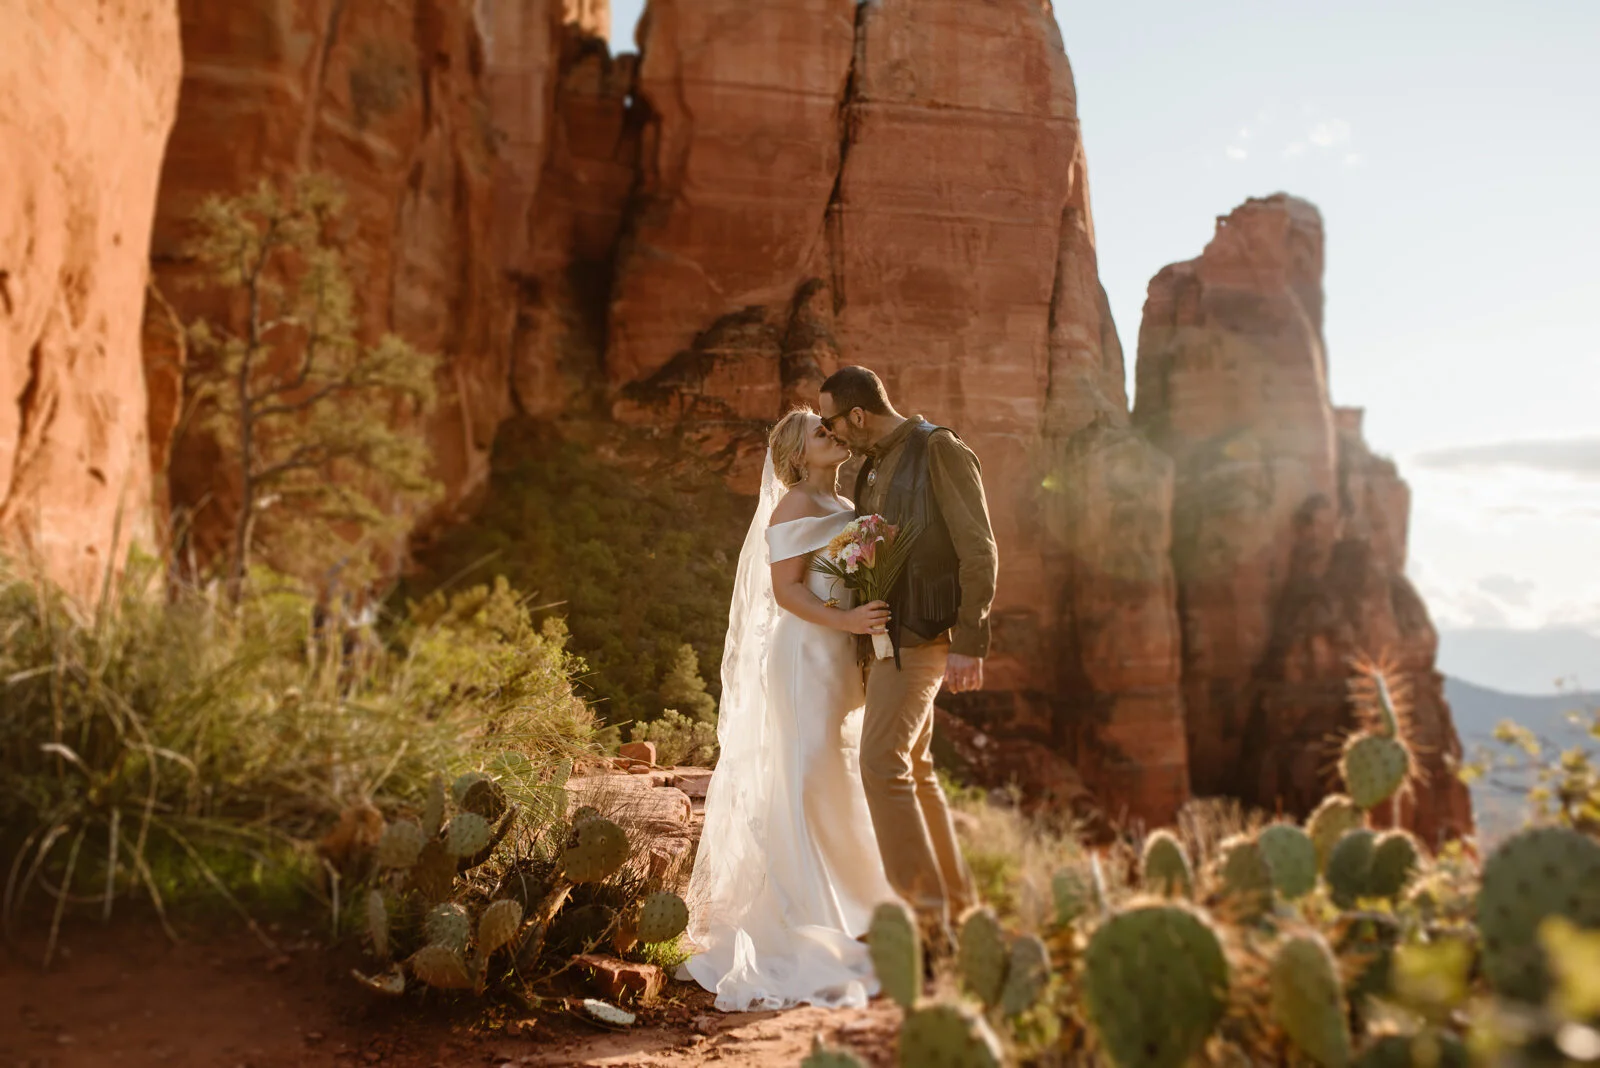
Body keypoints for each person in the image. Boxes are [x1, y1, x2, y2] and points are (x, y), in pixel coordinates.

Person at [680, 408, 901, 1011]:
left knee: (838, 772)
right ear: (799, 456)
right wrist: (849, 621)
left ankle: (861, 908)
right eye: (820, 434)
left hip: (841, 655)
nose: (833, 435)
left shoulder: (846, 505)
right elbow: (786, 591)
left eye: (832, 429)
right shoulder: (793, 506)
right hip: (804, 654)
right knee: (808, 772)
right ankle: (809, 919)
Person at [816, 365, 997, 951]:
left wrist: (969, 642)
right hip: (884, 641)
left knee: (880, 763)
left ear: (857, 415)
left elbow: (979, 548)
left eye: (831, 422)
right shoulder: (870, 466)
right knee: (916, 770)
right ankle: (959, 912)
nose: (830, 433)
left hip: (923, 638)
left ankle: (926, 925)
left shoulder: (939, 448)